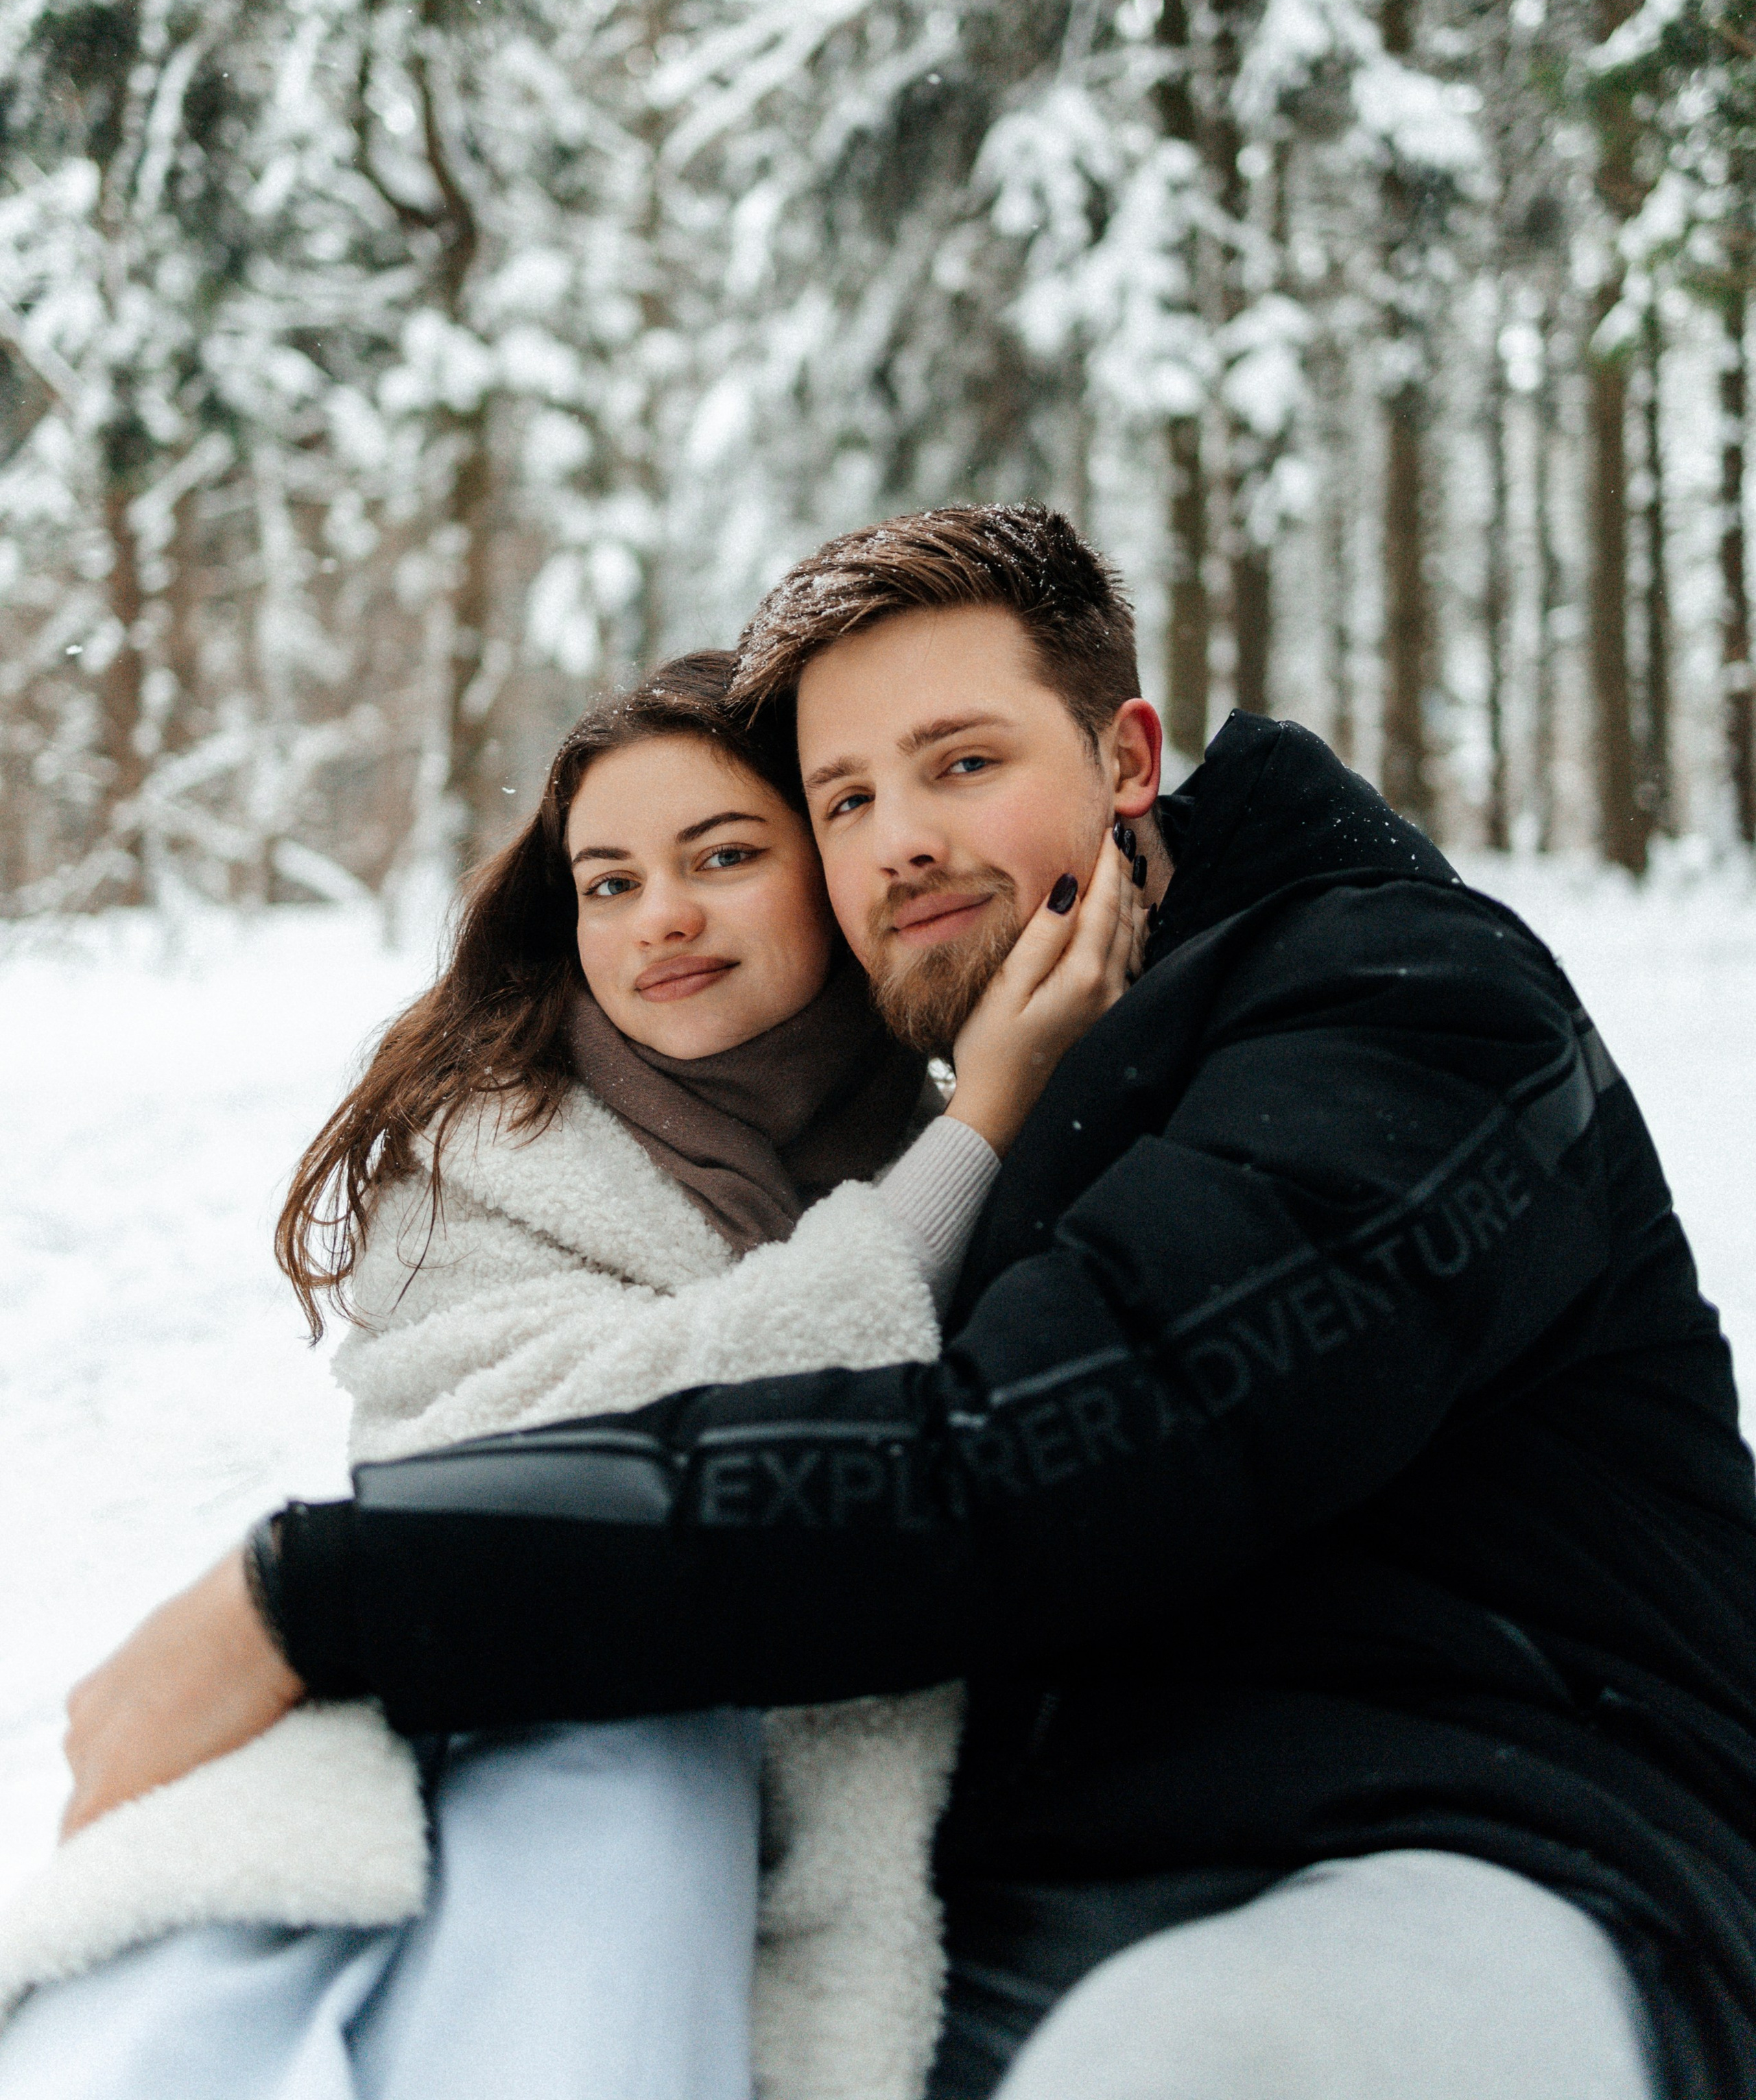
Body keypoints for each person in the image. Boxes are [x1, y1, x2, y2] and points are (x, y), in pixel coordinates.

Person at [35, 502, 1756, 2099]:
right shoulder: (1001, 1086)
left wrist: (319, 1585)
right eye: (847, 798)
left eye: (961, 762)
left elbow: (1023, 1460)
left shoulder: (1387, 1001)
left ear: (1127, 756)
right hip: (1042, 1882)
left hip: (1482, 1835)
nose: (902, 842)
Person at [0, 645, 1143, 2097]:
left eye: (721, 856)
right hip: (525, 1766)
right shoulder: (485, 1161)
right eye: (607, 881)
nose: (657, 918)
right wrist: (974, 1135)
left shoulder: (944, 1139)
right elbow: (566, 1479)